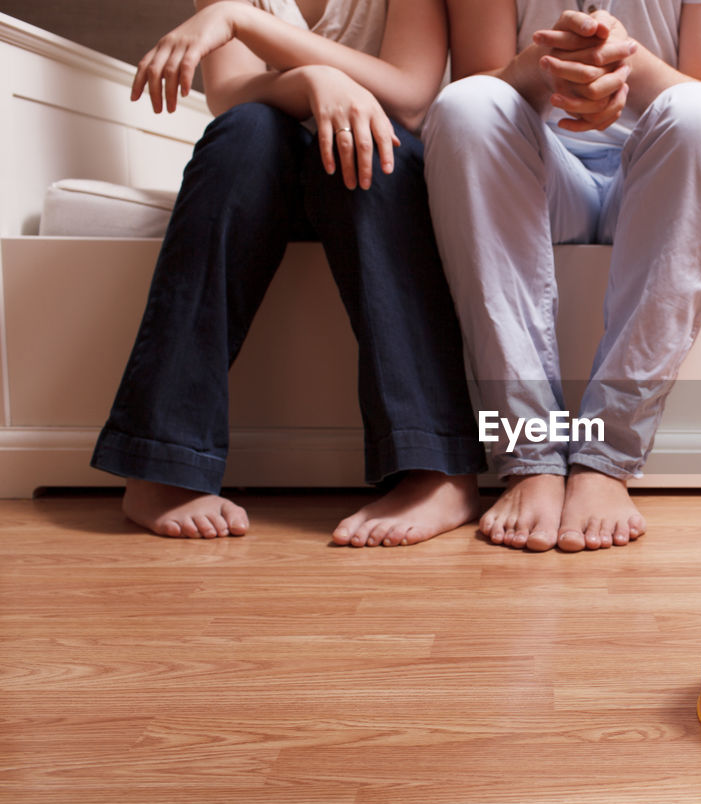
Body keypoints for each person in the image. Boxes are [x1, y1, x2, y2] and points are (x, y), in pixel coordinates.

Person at [91, 0, 486, 546]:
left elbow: (410, 96)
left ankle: (435, 466)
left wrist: (244, 21)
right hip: (261, 177)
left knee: (378, 138)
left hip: (369, 180)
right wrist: (314, 81)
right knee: (245, 131)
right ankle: (163, 460)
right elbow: (228, 96)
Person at [424, 0, 701, 552]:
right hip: (547, 174)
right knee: (466, 106)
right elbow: (483, 81)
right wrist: (546, 62)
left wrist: (623, 62)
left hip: (670, 165)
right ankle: (529, 455)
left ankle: (607, 458)